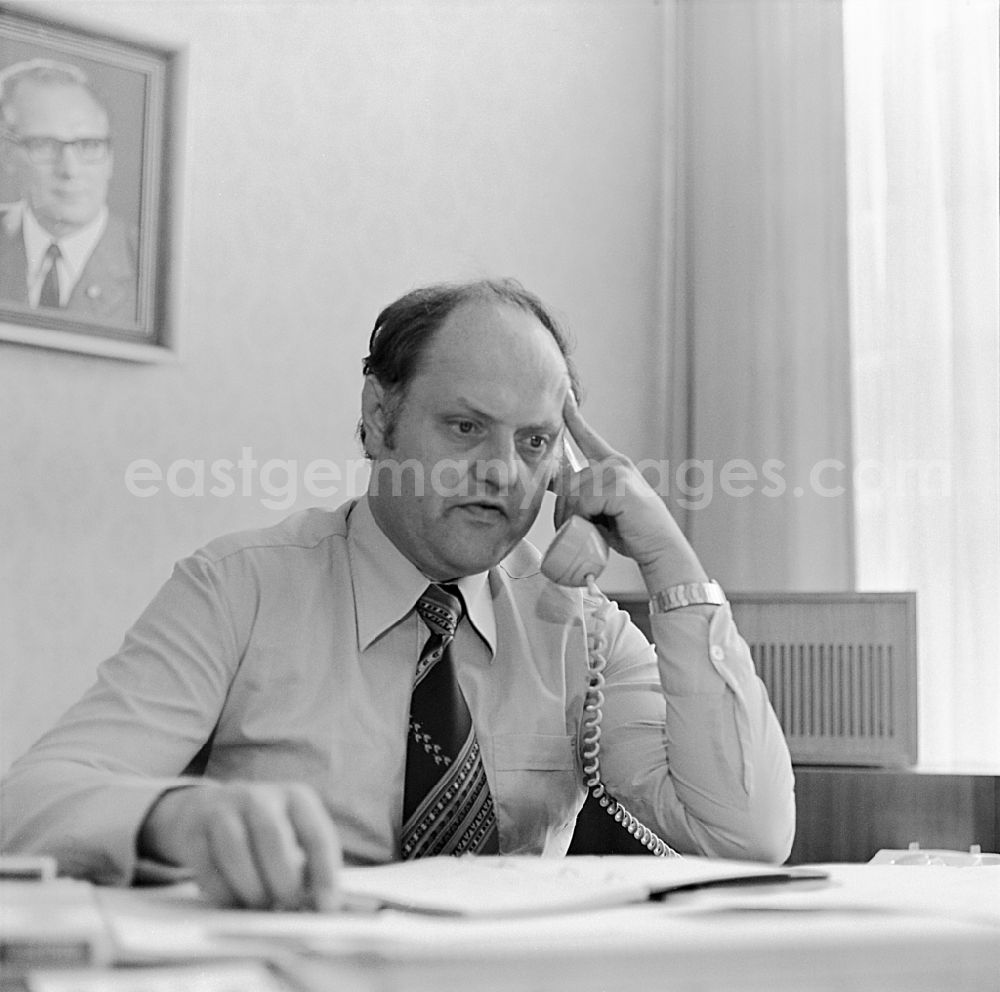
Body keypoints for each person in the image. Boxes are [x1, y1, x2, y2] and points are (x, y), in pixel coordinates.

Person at [0, 279, 795, 910]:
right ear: (381, 422)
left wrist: (668, 558)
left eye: (534, 441)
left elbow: (744, 838)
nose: (502, 472)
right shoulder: (238, 588)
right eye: (465, 428)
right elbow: (30, 805)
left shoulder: (577, 626)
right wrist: (175, 818)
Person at [0, 59, 137, 324]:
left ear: (110, 158)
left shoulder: (152, 265)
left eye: (89, 145)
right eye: (45, 145)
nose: (70, 170)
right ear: (7, 156)